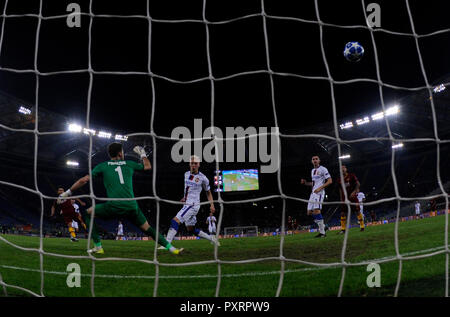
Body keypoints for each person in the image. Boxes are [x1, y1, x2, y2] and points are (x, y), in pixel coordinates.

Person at [60, 142, 182, 255]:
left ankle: (98, 247)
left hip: (114, 206)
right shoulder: (129, 163)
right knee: (147, 228)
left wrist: (68, 192)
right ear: (120, 153)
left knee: (87, 213)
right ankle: (172, 249)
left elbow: (84, 180)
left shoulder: (103, 166)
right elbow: (148, 166)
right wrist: (143, 154)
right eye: (122, 152)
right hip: (132, 206)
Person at [159, 155, 219, 248]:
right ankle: (212, 238)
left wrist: (212, 205)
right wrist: (185, 198)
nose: (193, 165)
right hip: (187, 204)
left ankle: (167, 244)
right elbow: (188, 189)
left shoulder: (203, 178)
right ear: (189, 164)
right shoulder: (186, 174)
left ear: (199, 164)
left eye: (195, 163)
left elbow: (208, 192)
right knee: (191, 229)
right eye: (192, 163)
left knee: (175, 221)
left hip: (193, 205)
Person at [300, 155, 332, 238]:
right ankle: (324, 226)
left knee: (317, 211)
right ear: (311, 161)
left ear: (319, 160)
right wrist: (306, 183)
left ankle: (322, 233)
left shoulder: (323, 169)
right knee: (309, 212)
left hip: (319, 193)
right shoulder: (312, 170)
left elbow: (330, 181)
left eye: (316, 159)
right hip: (313, 193)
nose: (315, 160)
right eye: (313, 159)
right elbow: (314, 183)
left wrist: (320, 188)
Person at [337, 165, 365, 233]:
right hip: (344, 198)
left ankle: (362, 226)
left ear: (346, 169)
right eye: (341, 169)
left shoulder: (351, 176)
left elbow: (358, 184)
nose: (342, 169)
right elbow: (340, 189)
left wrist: (354, 192)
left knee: (357, 211)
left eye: (343, 168)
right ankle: (343, 229)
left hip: (353, 197)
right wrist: (341, 199)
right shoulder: (339, 179)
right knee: (342, 213)